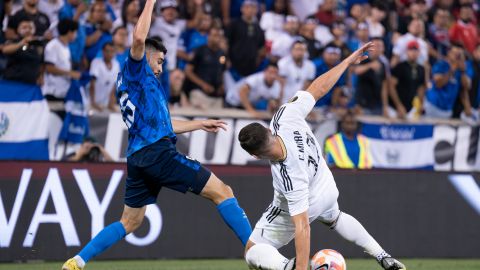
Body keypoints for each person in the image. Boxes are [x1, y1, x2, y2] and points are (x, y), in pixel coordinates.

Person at [61, 1, 252, 269]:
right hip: (157, 153)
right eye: (159, 61)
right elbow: (139, 37)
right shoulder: (136, 71)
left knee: (130, 221)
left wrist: (199, 123)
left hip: (138, 157)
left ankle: (77, 261)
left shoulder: (144, 88)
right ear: (147, 56)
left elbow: (163, 124)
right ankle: (257, 253)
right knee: (223, 191)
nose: (161, 68)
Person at [238, 42, 406, 270]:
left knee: (253, 251)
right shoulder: (284, 117)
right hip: (326, 185)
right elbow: (318, 88)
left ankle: (289, 268)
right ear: (268, 130)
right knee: (335, 216)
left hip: (302, 201)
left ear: (256, 156)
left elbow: (302, 227)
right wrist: (346, 62)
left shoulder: (288, 174)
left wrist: (301, 267)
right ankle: (383, 256)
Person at [184, 27, 226, 109]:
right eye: (215, 35)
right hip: (199, 93)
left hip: (216, 95)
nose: (218, 38)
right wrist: (203, 85)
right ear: (208, 36)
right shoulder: (199, 51)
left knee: (218, 121)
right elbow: (188, 71)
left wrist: (221, 85)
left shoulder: (222, 53)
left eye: (219, 36)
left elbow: (222, 70)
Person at [42, 18, 79, 102]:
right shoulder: (53, 46)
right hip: (52, 93)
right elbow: (49, 68)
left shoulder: (66, 47)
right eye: (75, 32)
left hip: (64, 92)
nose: (76, 35)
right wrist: (70, 73)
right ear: (70, 32)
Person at [390, 40, 426, 119]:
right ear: (406, 52)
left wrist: (421, 104)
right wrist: (398, 105)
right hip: (394, 108)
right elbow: (391, 87)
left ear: (419, 52)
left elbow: (421, 88)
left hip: (409, 108)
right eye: (411, 50)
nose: (413, 53)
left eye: (415, 50)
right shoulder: (400, 67)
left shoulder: (421, 69)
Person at [1, 18, 44, 85]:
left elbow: (41, 62)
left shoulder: (38, 44)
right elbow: (5, 50)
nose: (27, 30)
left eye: (30, 28)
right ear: (18, 30)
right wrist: (21, 43)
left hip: (30, 85)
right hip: (13, 82)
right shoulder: (14, 42)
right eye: (24, 27)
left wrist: (40, 76)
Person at [278, 38, 315, 104]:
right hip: (285, 99)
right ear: (291, 50)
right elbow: (281, 85)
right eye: (297, 49)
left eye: (302, 50)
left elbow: (307, 87)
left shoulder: (310, 66)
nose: (300, 52)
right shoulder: (283, 63)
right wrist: (280, 103)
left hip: (300, 100)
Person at [89, 42, 120, 112]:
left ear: (115, 52)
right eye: (107, 51)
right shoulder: (96, 62)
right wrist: (93, 103)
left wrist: (111, 103)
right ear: (103, 51)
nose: (109, 54)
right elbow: (92, 84)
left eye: (112, 51)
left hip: (105, 104)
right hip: (92, 102)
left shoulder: (116, 64)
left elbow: (114, 86)